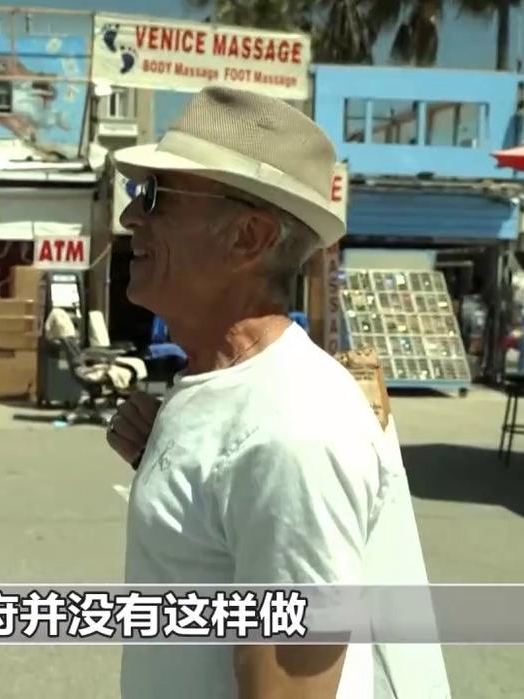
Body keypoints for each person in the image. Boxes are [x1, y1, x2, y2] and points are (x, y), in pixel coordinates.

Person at [105, 88, 451, 698]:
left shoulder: (291, 430)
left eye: (157, 196)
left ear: (248, 237)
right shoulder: (231, 392)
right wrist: (181, 469)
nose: (132, 217)